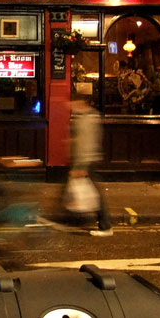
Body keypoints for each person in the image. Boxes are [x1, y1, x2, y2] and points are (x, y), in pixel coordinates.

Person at [67, 98, 113, 236]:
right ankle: (103, 224)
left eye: (73, 103)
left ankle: (106, 226)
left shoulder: (88, 118)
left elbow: (86, 143)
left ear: (81, 102)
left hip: (87, 160)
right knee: (86, 192)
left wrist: (81, 166)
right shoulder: (84, 116)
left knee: (94, 194)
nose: (71, 106)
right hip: (84, 160)